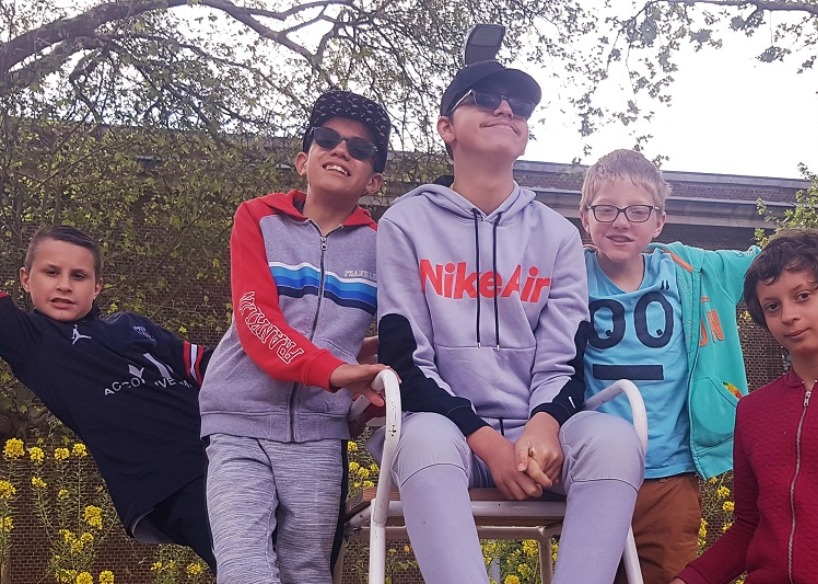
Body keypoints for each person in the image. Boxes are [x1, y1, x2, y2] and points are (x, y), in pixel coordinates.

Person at [373, 61, 645, 584]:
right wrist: (487, 442)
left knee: (614, 439)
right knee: (421, 438)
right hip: (448, 433)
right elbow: (406, 361)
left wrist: (545, 424)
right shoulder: (404, 223)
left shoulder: (557, 234)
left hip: (538, 433)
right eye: (484, 98)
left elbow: (565, 357)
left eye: (518, 106)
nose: (504, 108)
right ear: (446, 128)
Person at [578, 149, 818, 584]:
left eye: (638, 210)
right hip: (591, 471)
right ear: (584, 216)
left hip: (670, 472)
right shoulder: (565, 275)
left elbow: (815, 265)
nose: (621, 221)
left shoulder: (698, 271)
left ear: (659, 220)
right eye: (606, 209)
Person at [198, 89, 391, 584]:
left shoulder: (383, 247)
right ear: (303, 160)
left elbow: (402, 332)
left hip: (319, 434)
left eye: (360, 148)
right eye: (327, 139)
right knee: (244, 568)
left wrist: (363, 373)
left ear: (373, 181)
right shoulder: (257, 217)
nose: (341, 150)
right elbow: (255, 318)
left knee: (306, 571)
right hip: (239, 422)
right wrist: (336, 369)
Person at [0, 226, 215, 569]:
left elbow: (210, 367)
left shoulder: (132, 326)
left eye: (79, 276)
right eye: (51, 272)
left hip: (232, 450)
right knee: (253, 565)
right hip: (173, 480)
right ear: (25, 279)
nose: (64, 285)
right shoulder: (32, 340)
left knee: (299, 553)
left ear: (97, 286)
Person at [670, 229, 818, 584]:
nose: (788, 315)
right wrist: (691, 579)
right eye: (772, 306)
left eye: (803, 296)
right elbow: (749, 526)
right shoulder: (753, 411)